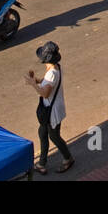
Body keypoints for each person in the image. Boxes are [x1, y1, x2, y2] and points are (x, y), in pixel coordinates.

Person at [25, 41, 74, 174]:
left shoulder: (52, 72)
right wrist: (37, 80)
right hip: (51, 109)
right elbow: (47, 82)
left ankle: (68, 158)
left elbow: (45, 93)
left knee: (54, 136)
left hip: (52, 111)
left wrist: (32, 84)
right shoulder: (56, 67)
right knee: (43, 133)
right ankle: (42, 163)